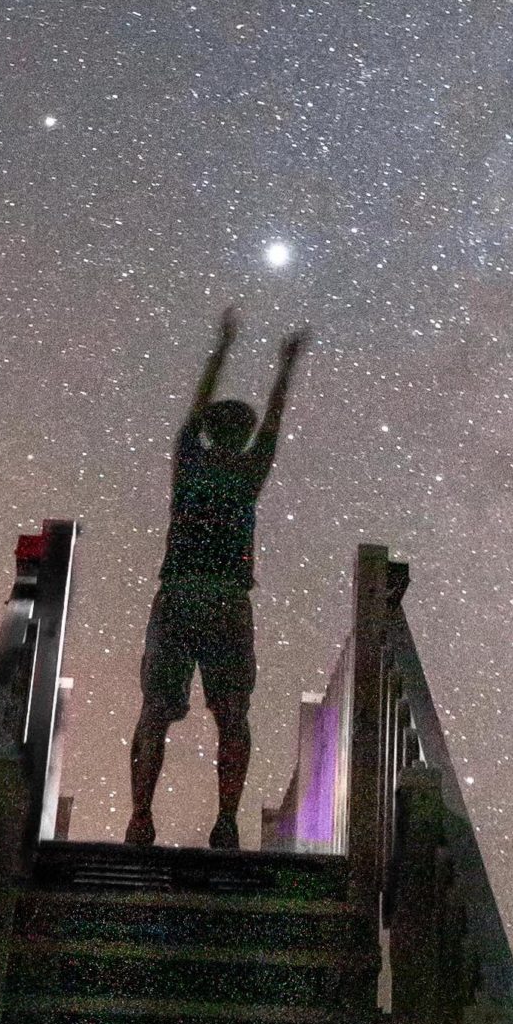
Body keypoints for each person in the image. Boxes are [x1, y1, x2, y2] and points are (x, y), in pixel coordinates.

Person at [125, 307, 309, 850]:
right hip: (227, 602)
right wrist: (284, 367)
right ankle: (225, 820)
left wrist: (224, 350)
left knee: (156, 711)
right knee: (232, 714)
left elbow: (195, 410)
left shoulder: (190, 462)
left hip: (180, 597)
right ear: (239, 434)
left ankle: (141, 817)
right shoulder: (247, 473)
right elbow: (274, 419)